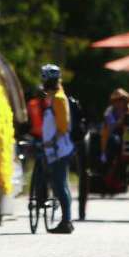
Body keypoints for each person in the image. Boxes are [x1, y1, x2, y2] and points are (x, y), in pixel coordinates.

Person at [39, 64, 75, 233]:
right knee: (60, 184)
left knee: (60, 185)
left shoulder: (59, 99)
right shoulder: (55, 97)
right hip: (55, 148)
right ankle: (66, 220)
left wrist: (52, 141)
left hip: (59, 149)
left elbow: (63, 125)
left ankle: (66, 221)